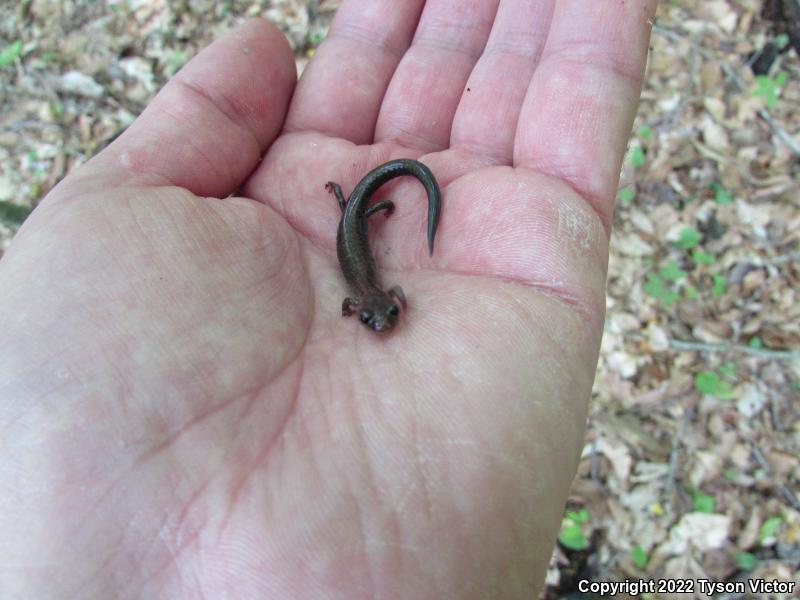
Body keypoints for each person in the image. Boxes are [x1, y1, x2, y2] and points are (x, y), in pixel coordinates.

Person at [0, 2, 655, 597]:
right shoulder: (362, 298)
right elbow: (365, 292)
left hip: (358, 213)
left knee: (370, 208)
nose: (380, 319)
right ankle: (372, 198)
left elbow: (373, 292)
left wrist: (371, 211)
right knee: (364, 212)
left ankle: (377, 197)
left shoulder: (370, 296)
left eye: (383, 317)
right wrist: (362, 213)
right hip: (354, 215)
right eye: (379, 317)